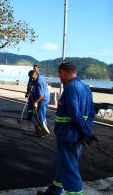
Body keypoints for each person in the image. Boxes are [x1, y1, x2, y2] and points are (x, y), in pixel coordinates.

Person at [37, 62, 97, 195]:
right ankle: (54, 191)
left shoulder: (70, 87)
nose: (60, 79)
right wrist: (86, 131)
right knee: (65, 163)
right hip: (77, 135)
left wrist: (85, 132)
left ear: (63, 72)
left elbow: (75, 114)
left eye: (59, 75)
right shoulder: (85, 88)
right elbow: (92, 112)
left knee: (69, 168)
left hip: (68, 134)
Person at [31, 70, 50, 136]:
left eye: (33, 78)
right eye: (31, 78)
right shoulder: (40, 76)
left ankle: (45, 131)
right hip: (43, 99)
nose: (32, 79)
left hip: (42, 100)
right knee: (41, 115)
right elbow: (39, 72)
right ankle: (41, 130)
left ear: (36, 75)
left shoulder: (39, 82)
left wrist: (36, 102)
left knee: (40, 116)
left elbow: (41, 96)